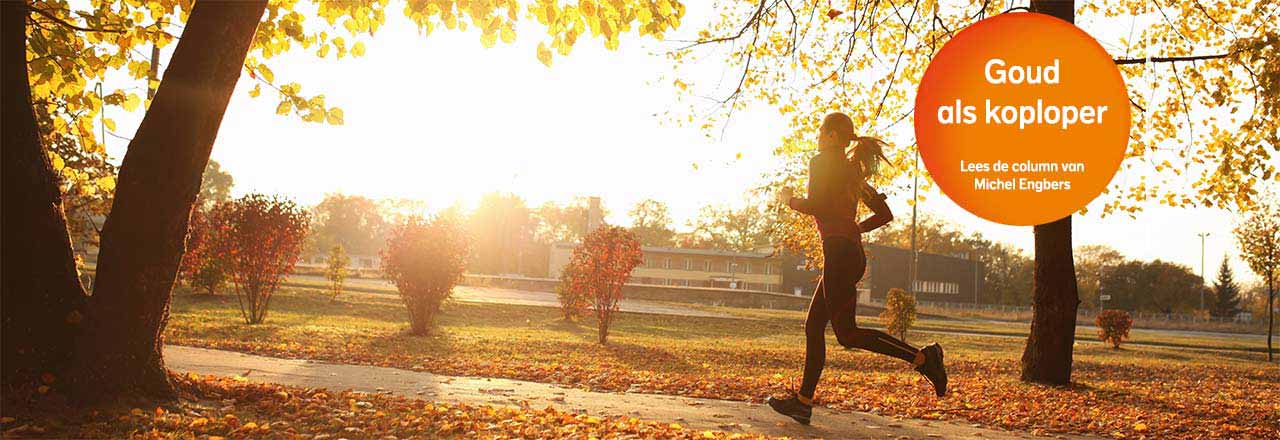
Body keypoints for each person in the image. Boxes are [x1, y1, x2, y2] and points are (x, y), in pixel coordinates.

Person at [767, 112, 947, 426]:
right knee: (814, 327)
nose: (819, 138)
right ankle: (803, 402)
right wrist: (855, 229)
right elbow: (884, 213)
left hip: (839, 252)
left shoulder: (822, 161)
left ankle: (923, 358)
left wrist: (790, 200)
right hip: (846, 250)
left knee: (847, 335)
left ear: (834, 135)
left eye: (822, 132)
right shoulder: (852, 172)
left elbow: (817, 204)